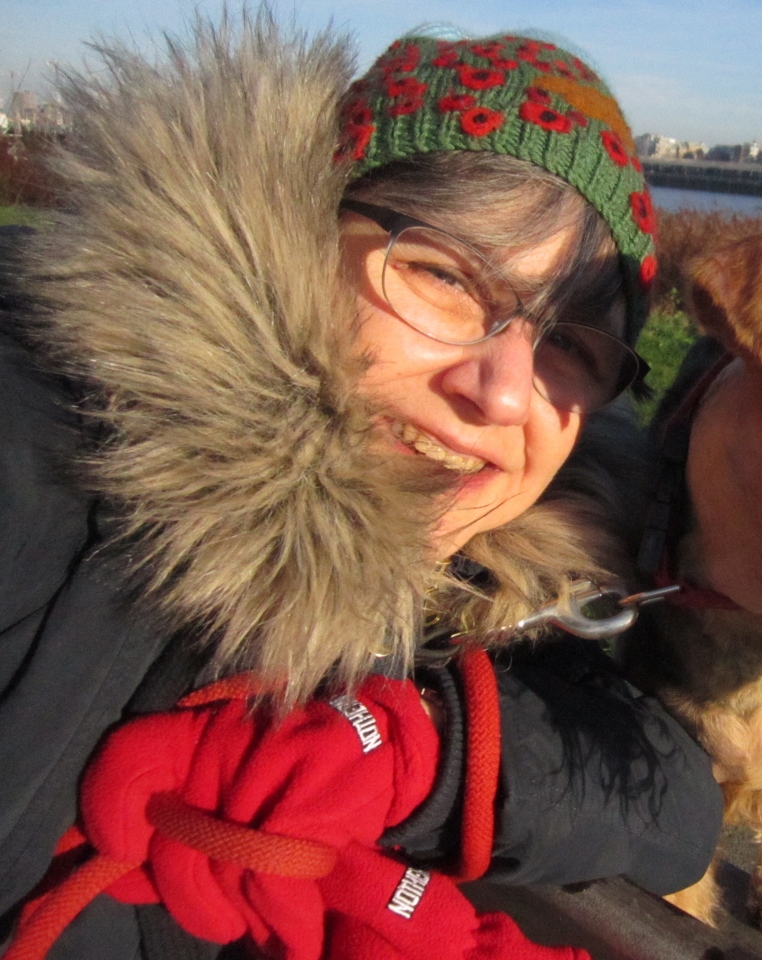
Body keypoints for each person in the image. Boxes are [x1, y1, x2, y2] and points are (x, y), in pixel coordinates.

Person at [0, 13, 720, 960]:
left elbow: (676, 806)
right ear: (297, 228)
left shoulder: (501, 562)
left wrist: (420, 745)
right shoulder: (36, 445)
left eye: (573, 348)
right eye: (446, 277)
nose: (505, 393)